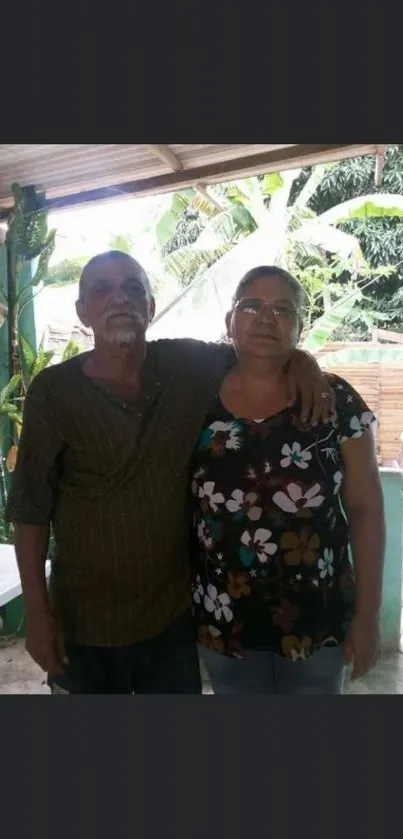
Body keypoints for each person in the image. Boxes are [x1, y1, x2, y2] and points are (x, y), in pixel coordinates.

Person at [6, 251, 336, 695]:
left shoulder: (187, 366)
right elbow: (29, 509)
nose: (119, 297)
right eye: (102, 289)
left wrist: (302, 360)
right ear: (83, 311)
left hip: (169, 624)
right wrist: (38, 613)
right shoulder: (54, 392)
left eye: (133, 288)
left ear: (151, 305)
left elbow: (258, 349)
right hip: (81, 625)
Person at [191, 265, 385, 695]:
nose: (266, 318)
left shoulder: (335, 401)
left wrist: (367, 615)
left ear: (299, 327)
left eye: (283, 309)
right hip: (224, 619)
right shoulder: (195, 401)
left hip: (317, 619)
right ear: (230, 321)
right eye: (252, 306)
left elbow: (366, 510)